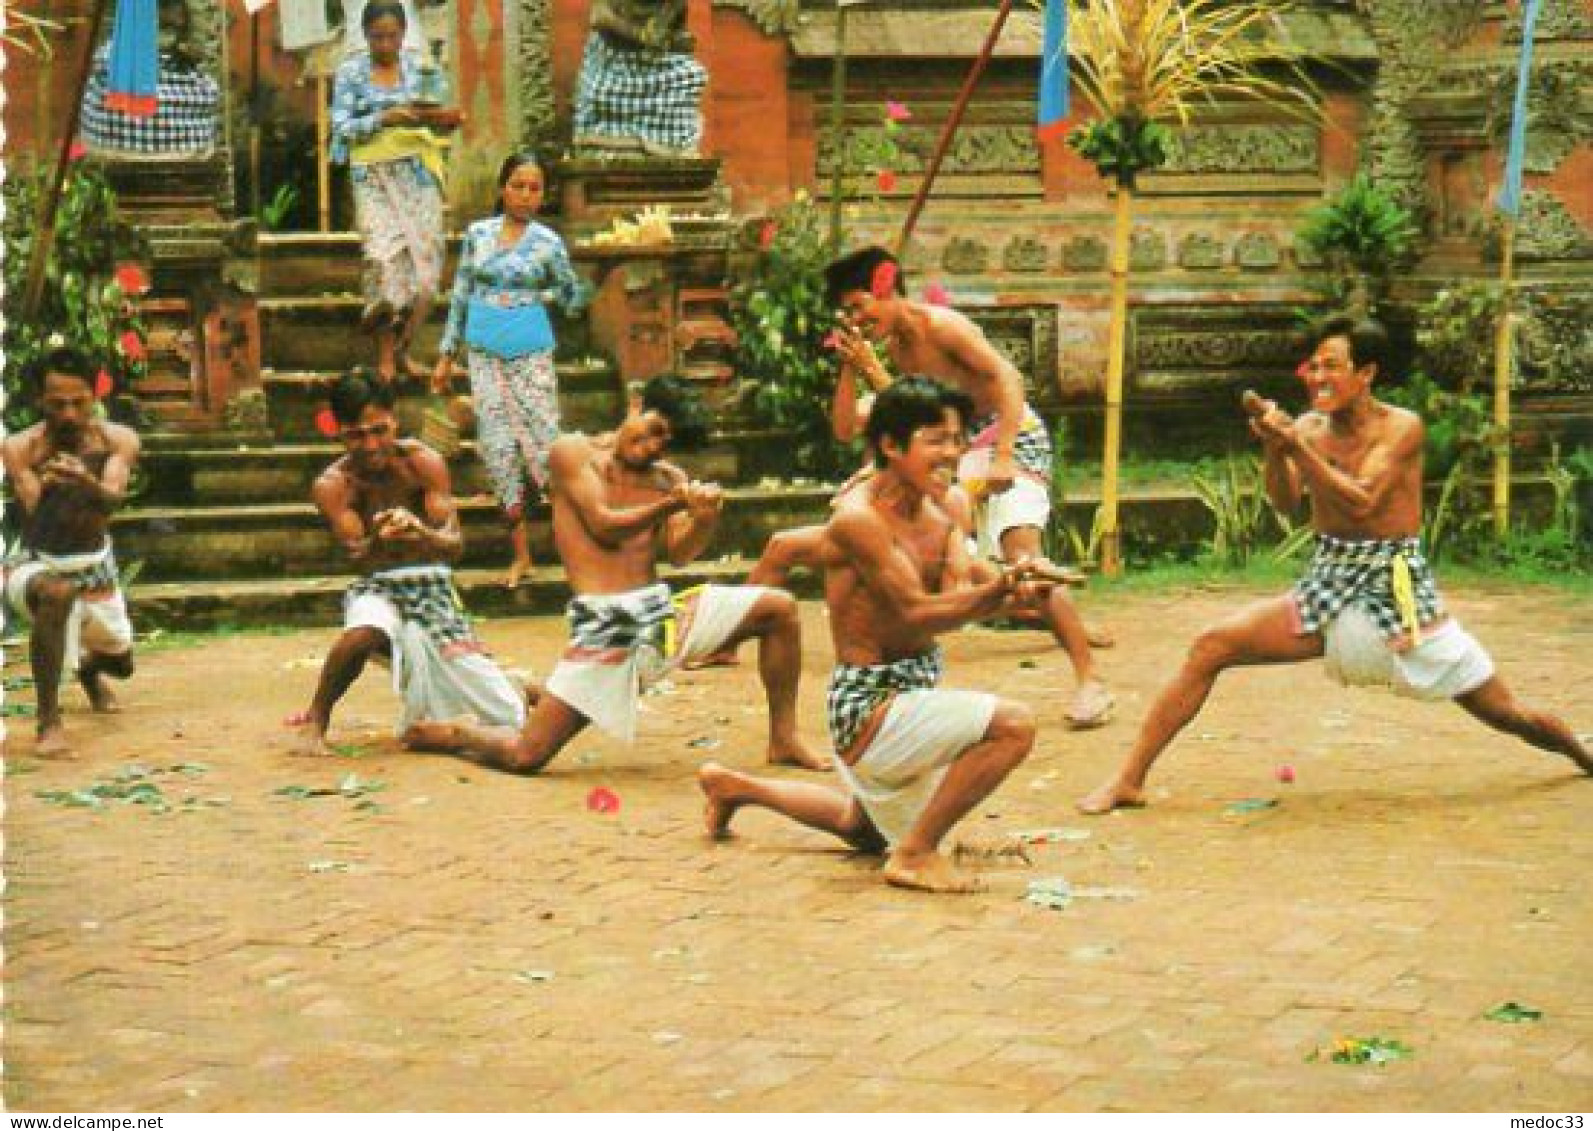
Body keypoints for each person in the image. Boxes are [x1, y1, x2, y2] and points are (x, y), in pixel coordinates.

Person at [1079, 314, 1592, 814]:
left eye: (1332, 366)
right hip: (1330, 577)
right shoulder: (1309, 429)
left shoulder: (1402, 428)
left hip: (1398, 586)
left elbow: (1364, 501)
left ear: (1365, 374)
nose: (1319, 378)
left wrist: (1296, 445)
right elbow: (1283, 503)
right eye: (1314, 367)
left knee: (1503, 712)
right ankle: (1128, 780)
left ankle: (1581, 753)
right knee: (1212, 645)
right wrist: (1276, 451)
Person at [697, 378, 1047, 894]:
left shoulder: (950, 505)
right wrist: (997, 592)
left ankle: (734, 788)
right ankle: (914, 855)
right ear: (889, 445)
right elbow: (916, 610)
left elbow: (961, 589)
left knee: (860, 828)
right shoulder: (857, 521)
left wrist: (1019, 587)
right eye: (935, 440)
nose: (951, 454)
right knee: (1014, 726)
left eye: (956, 440)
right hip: (868, 708)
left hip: (915, 690)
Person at [404, 376, 829, 773]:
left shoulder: (668, 479)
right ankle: (455, 732)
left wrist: (703, 518)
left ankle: (784, 739)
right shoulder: (573, 453)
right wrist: (671, 505)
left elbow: (679, 555)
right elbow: (603, 524)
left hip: (662, 620)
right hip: (606, 628)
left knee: (780, 609)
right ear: (636, 403)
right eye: (652, 429)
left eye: (665, 444)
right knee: (525, 755)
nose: (651, 448)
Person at [824, 245, 1113, 728]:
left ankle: (1089, 680)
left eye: (858, 306)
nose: (855, 318)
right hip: (958, 448)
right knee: (974, 564)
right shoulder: (896, 349)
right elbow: (877, 422)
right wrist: (858, 369)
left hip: (1010, 433)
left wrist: (1002, 456)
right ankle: (1036, 611)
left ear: (885, 287)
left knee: (1021, 555)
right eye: (847, 312)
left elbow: (1008, 378)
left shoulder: (944, 327)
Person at [292, 372, 527, 757]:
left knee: (506, 715)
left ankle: (514, 686)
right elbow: (356, 556)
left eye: (379, 430)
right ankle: (317, 717)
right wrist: (377, 540)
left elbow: (454, 546)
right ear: (339, 432)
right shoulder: (333, 484)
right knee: (361, 634)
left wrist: (422, 533)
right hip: (378, 586)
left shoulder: (423, 462)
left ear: (394, 420)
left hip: (433, 587)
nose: (370, 445)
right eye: (357, 435)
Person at [433, 152, 587, 589]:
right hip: (483, 354)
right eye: (517, 185)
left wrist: (545, 299)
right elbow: (461, 294)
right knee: (498, 448)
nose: (524, 195)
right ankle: (521, 554)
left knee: (544, 447)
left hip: (531, 351)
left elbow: (572, 295)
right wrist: (447, 354)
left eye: (534, 187)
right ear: (503, 188)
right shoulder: (477, 235)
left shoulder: (548, 243)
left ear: (543, 195)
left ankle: (573, 547)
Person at [2, 348, 142, 758]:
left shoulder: (118, 440)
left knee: (123, 664)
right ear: (38, 401)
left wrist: (86, 482)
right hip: (38, 563)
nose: (68, 413)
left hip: (95, 565)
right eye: (57, 404)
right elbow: (36, 517)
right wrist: (50, 488)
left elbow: (113, 500)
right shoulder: (19, 447)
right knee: (57, 594)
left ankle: (86, 668)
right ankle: (49, 722)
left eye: (78, 402)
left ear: (93, 398)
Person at [330, 0, 462, 385]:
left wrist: (446, 122)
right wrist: (383, 118)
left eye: (392, 36)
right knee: (384, 258)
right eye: (377, 37)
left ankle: (403, 349)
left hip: (418, 173)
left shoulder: (422, 70)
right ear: (366, 36)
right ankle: (385, 356)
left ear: (404, 35)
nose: (385, 44)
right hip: (372, 174)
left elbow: (436, 117)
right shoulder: (351, 73)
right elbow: (340, 126)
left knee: (424, 273)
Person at [572, 0, 706, 157]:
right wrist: (643, 36)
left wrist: (665, 40)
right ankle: (599, 139)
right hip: (614, 67)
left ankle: (669, 144)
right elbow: (599, 18)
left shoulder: (674, 3)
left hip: (658, 70)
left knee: (692, 75)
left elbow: (665, 37)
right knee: (599, 93)